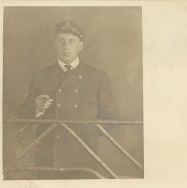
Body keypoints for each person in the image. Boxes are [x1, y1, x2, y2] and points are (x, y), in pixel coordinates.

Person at [19, 21, 119, 179]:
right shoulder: (40, 76)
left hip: (84, 157)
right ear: (54, 44)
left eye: (71, 41)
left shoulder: (97, 77)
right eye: (61, 41)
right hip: (48, 157)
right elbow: (22, 115)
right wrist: (36, 108)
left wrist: (86, 137)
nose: (66, 46)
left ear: (80, 45)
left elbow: (110, 118)